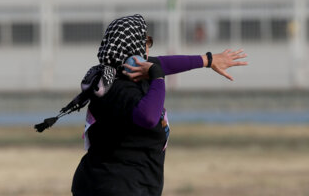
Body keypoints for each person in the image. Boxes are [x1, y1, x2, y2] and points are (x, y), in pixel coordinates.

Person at [71, 14, 247, 196]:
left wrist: (208, 60)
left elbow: (163, 63)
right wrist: (158, 77)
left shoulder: (119, 75)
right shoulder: (118, 89)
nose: (149, 47)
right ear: (135, 47)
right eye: (147, 41)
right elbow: (148, 117)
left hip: (119, 184)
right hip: (115, 186)